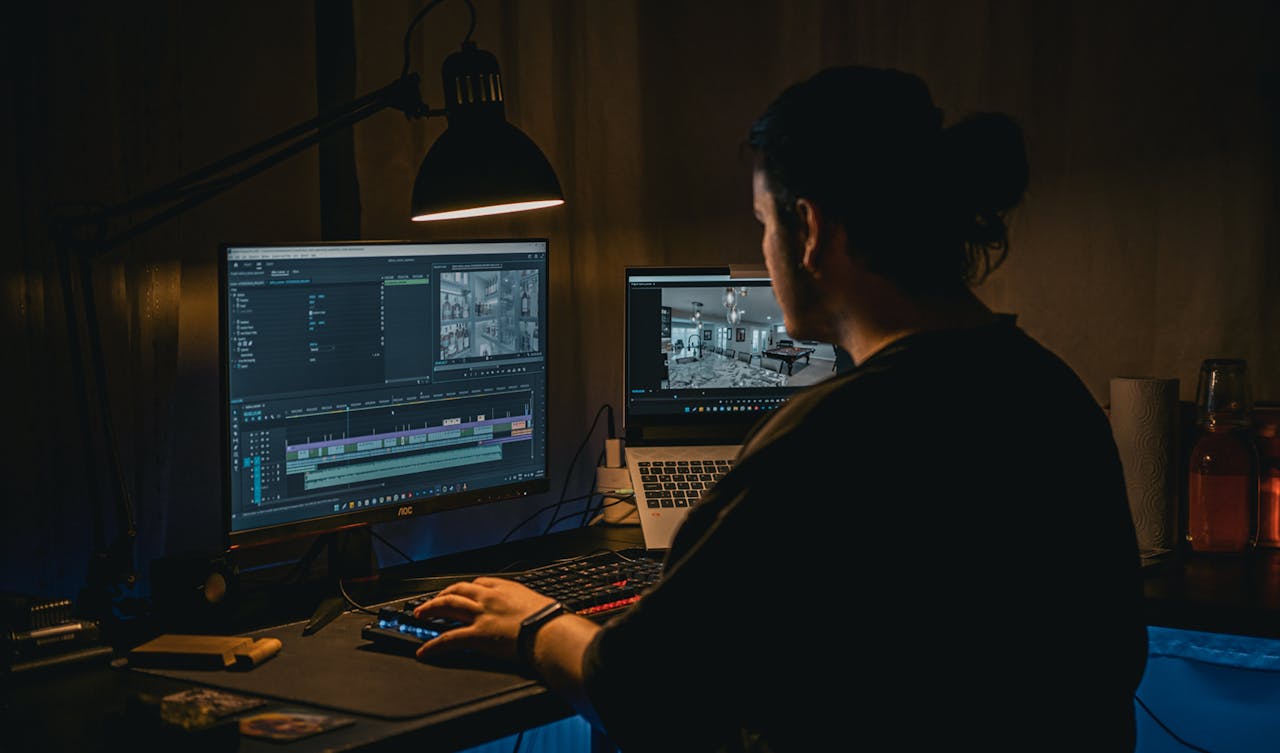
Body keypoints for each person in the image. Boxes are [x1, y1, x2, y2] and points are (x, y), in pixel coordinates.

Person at [411, 66, 1149, 752]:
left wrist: (533, 623)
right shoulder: (1051, 390)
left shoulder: (836, 434)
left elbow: (634, 686)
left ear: (813, 229)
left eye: (764, 223)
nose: (762, 247)